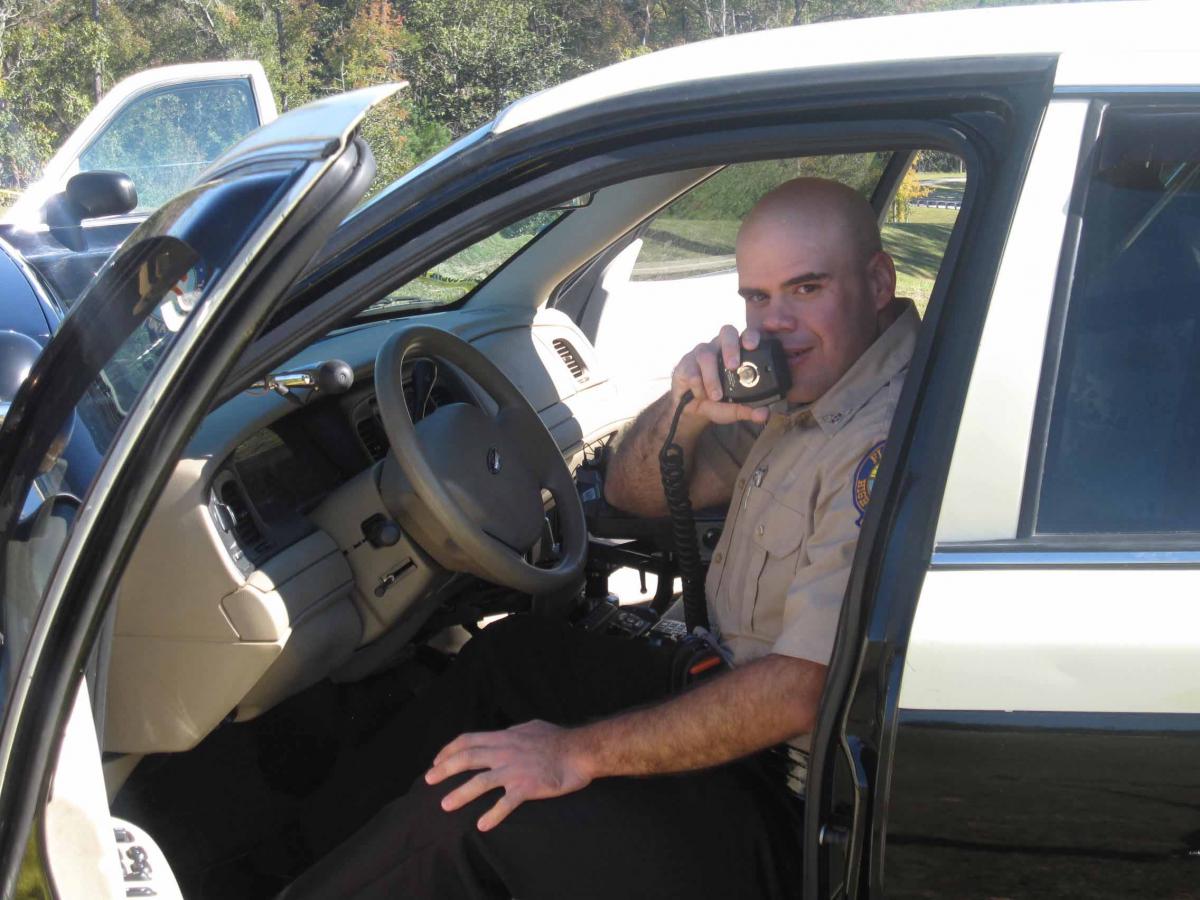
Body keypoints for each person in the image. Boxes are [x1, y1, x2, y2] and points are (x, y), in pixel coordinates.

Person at [279, 177, 920, 899]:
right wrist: (687, 406)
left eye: (806, 288)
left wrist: (571, 754)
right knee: (510, 656)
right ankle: (296, 860)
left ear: (878, 282)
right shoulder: (815, 387)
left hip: (784, 800)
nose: (775, 325)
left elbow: (803, 692)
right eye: (756, 297)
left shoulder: (886, 436)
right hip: (721, 683)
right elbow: (633, 492)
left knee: (473, 817)